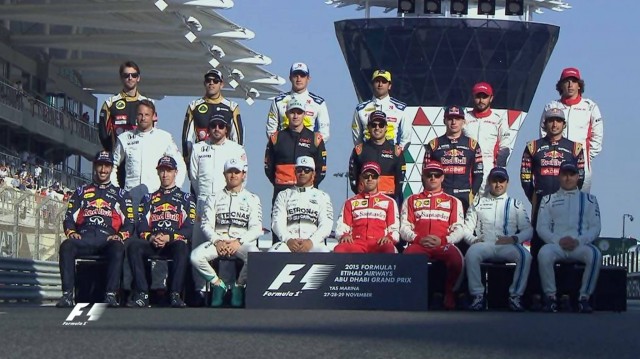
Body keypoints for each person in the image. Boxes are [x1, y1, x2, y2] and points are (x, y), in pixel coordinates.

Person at [56, 151, 134, 308]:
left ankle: (111, 295)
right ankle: (67, 295)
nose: (103, 170)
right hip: (84, 238)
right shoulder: (81, 192)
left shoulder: (121, 195)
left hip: (107, 240)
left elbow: (130, 223)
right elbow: (69, 218)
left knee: (118, 246)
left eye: (107, 166)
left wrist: (120, 235)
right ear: (94, 166)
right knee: (66, 245)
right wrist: (71, 232)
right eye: (100, 165)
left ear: (112, 168)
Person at [457, 167, 533, 312]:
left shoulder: (516, 204)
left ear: (507, 183)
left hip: (507, 245)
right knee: (471, 254)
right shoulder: (478, 203)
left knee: (525, 256)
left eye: (502, 181)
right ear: (489, 182)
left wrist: (514, 238)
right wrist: (473, 240)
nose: (498, 185)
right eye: (495, 181)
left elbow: (528, 230)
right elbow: (465, 229)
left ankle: (515, 296)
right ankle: (477, 296)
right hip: (485, 244)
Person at [190, 158, 261, 307]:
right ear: (224, 174)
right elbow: (206, 224)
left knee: (254, 254)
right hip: (218, 241)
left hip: (240, 242)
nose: (233, 175)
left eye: (237, 172)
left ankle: (239, 286)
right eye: (230, 172)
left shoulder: (253, 199)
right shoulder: (213, 197)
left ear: (244, 175)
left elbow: (256, 228)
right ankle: (218, 285)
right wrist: (217, 240)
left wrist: (238, 242)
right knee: (195, 257)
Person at [189, 114, 246, 295]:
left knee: (226, 246)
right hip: (203, 202)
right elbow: (194, 178)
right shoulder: (198, 148)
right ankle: (199, 289)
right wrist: (204, 199)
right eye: (213, 125)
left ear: (226, 129)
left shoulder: (237, 149)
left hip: (226, 204)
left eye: (221, 126)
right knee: (198, 247)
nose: (217, 129)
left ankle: (226, 288)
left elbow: (243, 178)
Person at [127, 156, 195, 308]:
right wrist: (151, 237)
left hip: (172, 243)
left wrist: (169, 237)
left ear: (175, 173)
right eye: (162, 170)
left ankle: (175, 294)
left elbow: (189, 228)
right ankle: (142, 294)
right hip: (153, 241)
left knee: (182, 247)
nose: (165, 174)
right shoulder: (148, 198)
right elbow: (141, 225)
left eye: (168, 171)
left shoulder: (186, 198)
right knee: (133, 246)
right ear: (158, 173)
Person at [536, 159, 601, 313]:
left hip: (580, 246)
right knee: (543, 253)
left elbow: (595, 227)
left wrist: (578, 241)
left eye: (572, 174)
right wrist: (558, 241)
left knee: (595, 255)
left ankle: (584, 298)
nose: (568, 178)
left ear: (578, 177)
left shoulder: (590, 200)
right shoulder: (548, 199)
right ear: (559, 176)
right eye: (565, 174)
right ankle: (550, 297)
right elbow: (541, 227)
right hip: (556, 245)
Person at [400, 161, 465, 310]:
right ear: (423, 177)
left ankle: (449, 293)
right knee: (406, 257)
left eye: (437, 175)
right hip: (419, 243)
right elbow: (403, 227)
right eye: (429, 175)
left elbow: (459, 229)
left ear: (442, 178)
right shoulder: (411, 200)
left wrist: (443, 240)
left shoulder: (453, 201)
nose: (433, 178)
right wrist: (417, 239)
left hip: (442, 243)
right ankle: (413, 295)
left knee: (457, 260)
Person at [265, 98, 327, 243]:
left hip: (309, 193)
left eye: (299, 112)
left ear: (305, 114)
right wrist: (280, 184)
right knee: (279, 227)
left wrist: (309, 186)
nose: (295, 116)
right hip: (282, 190)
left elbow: (322, 168)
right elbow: (268, 167)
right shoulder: (276, 138)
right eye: (292, 112)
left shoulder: (315, 138)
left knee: (311, 227)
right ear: (286, 114)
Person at [540, 67, 603, 192]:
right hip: (554, 163)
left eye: (574, 81)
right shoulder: (552, 106)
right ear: (561, 85)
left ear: (579, 85)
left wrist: (584, 156)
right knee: (554, 204)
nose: (570, 85)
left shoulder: (590, 107)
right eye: (566, 81)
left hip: (581, 166)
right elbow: (543, 133)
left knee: (580, 205)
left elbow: (597, 137)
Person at [111, 99, 186, 206]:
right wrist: (116, 190)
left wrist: (175, 189)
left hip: (155, 197)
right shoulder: (124, 138)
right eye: (140, 114)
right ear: (136, 116)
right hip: (130, 197)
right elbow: (112, 165)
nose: (143, 118)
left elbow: (180, 165)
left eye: (147, 114)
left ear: (153, 116)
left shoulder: (164, 137)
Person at [98, 61, 150, 186]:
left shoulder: (147, 103)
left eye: (133, 75)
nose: (130, 78)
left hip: (140, 160)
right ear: (121, 78)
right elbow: (103, 132)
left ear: (139, 78)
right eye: (126, 75)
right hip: (119, 161)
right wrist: (111, 153)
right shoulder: (110, 103)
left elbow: (152, 132)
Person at [423, 105, 483, 212]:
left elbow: (478, 173)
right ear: (444, 121)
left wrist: (473, 193)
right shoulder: (433, 144)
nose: (454, 122)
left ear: (463, 121)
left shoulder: (472, 144)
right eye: (450, 119)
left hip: (464, 195)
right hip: (441, 194)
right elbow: (425, 173)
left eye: (458, 119)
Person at [182, 69, 244, 168]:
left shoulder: (232, 107)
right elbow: (187, 137)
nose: (211, 83)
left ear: (221, 84)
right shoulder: (194, 106)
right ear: (204, 83)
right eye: (208, 80)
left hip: (224, 156)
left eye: (215, 81)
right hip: (202, 156)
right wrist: (187, 159)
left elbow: (237, 138)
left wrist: (236, 160)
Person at [269, 156, 333, 253]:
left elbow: (326, 225)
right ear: (295, 172)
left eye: (307, 170)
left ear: (313, 174)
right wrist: (288, 239)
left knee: (325, 252)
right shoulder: (284, 195)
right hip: (288, 243)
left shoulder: (323, 197)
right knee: (273, 252)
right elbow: (277, 222)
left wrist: (311, 242)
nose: (302, 173)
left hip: (313, 243)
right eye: (299, 170)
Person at [334, 162, 399, 254]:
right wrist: (344, 235)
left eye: (374, 176)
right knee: (340, 249)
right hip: (356, 243)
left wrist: (389, 237)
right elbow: (342, 226)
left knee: (389, 248)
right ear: (361, 178)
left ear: (379, 179)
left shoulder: (389, 202)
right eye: (366, 176)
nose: (370, 179)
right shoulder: (350, 202)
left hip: (379, 243)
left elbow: (394, 229)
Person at [464, 82, 514, 195]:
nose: (481, 100)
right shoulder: (465, 118)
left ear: (491, 98)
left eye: (485, 97)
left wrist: (499, 169)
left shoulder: (498, 119)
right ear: (473, 97)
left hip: (488, 167)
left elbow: (505, 146)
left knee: (488, 205)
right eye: (478, 96)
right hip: (467, 167)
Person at [348, 111, 405, 204]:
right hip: (365, 200)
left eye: (381, 124)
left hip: (389, 199)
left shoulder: (396, 151)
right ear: (369, 128)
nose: (377, 128)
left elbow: (400, 179)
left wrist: (392, 196)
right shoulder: (359, 150)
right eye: (374, 125)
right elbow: (353, 177)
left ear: (386, 128)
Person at [266, 62, 330, 141]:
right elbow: (271, 130)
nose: (299, 78)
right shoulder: (278, 101)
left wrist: (310, 147)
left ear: (308, 78)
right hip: (283, 149)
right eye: (295, 75)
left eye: (302, 75)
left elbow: (324, 132)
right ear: (290, 78)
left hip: (309, 150)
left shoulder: (318, 103)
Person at [352, 70, 410, 148]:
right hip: (368, 153)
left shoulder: (400, 108)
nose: (380, 84)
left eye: (384, 81)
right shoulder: (360, 109)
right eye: (377, 81)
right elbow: (357, 138)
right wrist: (362, 154)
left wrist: (397, 154)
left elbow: (406, 137)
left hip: (391, 153)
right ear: (372, 85)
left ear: (389, 86)